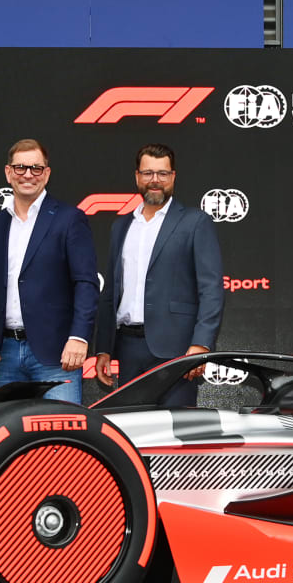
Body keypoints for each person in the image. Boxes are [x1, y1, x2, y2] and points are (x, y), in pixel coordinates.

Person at [95, 143, 223, 406]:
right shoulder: (121, 226)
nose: (155, 180)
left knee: (177, 434)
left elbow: (211, 289)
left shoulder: (195, 222)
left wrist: (201, 345)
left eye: (163, 173)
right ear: (137, 177)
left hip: (177, 350)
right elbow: (111, 292)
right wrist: (104, 349)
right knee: (132, 432)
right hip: (127, 348)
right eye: (148, 173)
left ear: (173, 177)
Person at [0, 139, 98, 404]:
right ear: (8, 173)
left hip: (56, 353)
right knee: (11, 439)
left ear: (47, 173)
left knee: (61, 436)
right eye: (21, 168)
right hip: (5, 354)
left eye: (36, 168)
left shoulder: (69, 219)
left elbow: (85, 283)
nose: (28, 175)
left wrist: (78, 337)